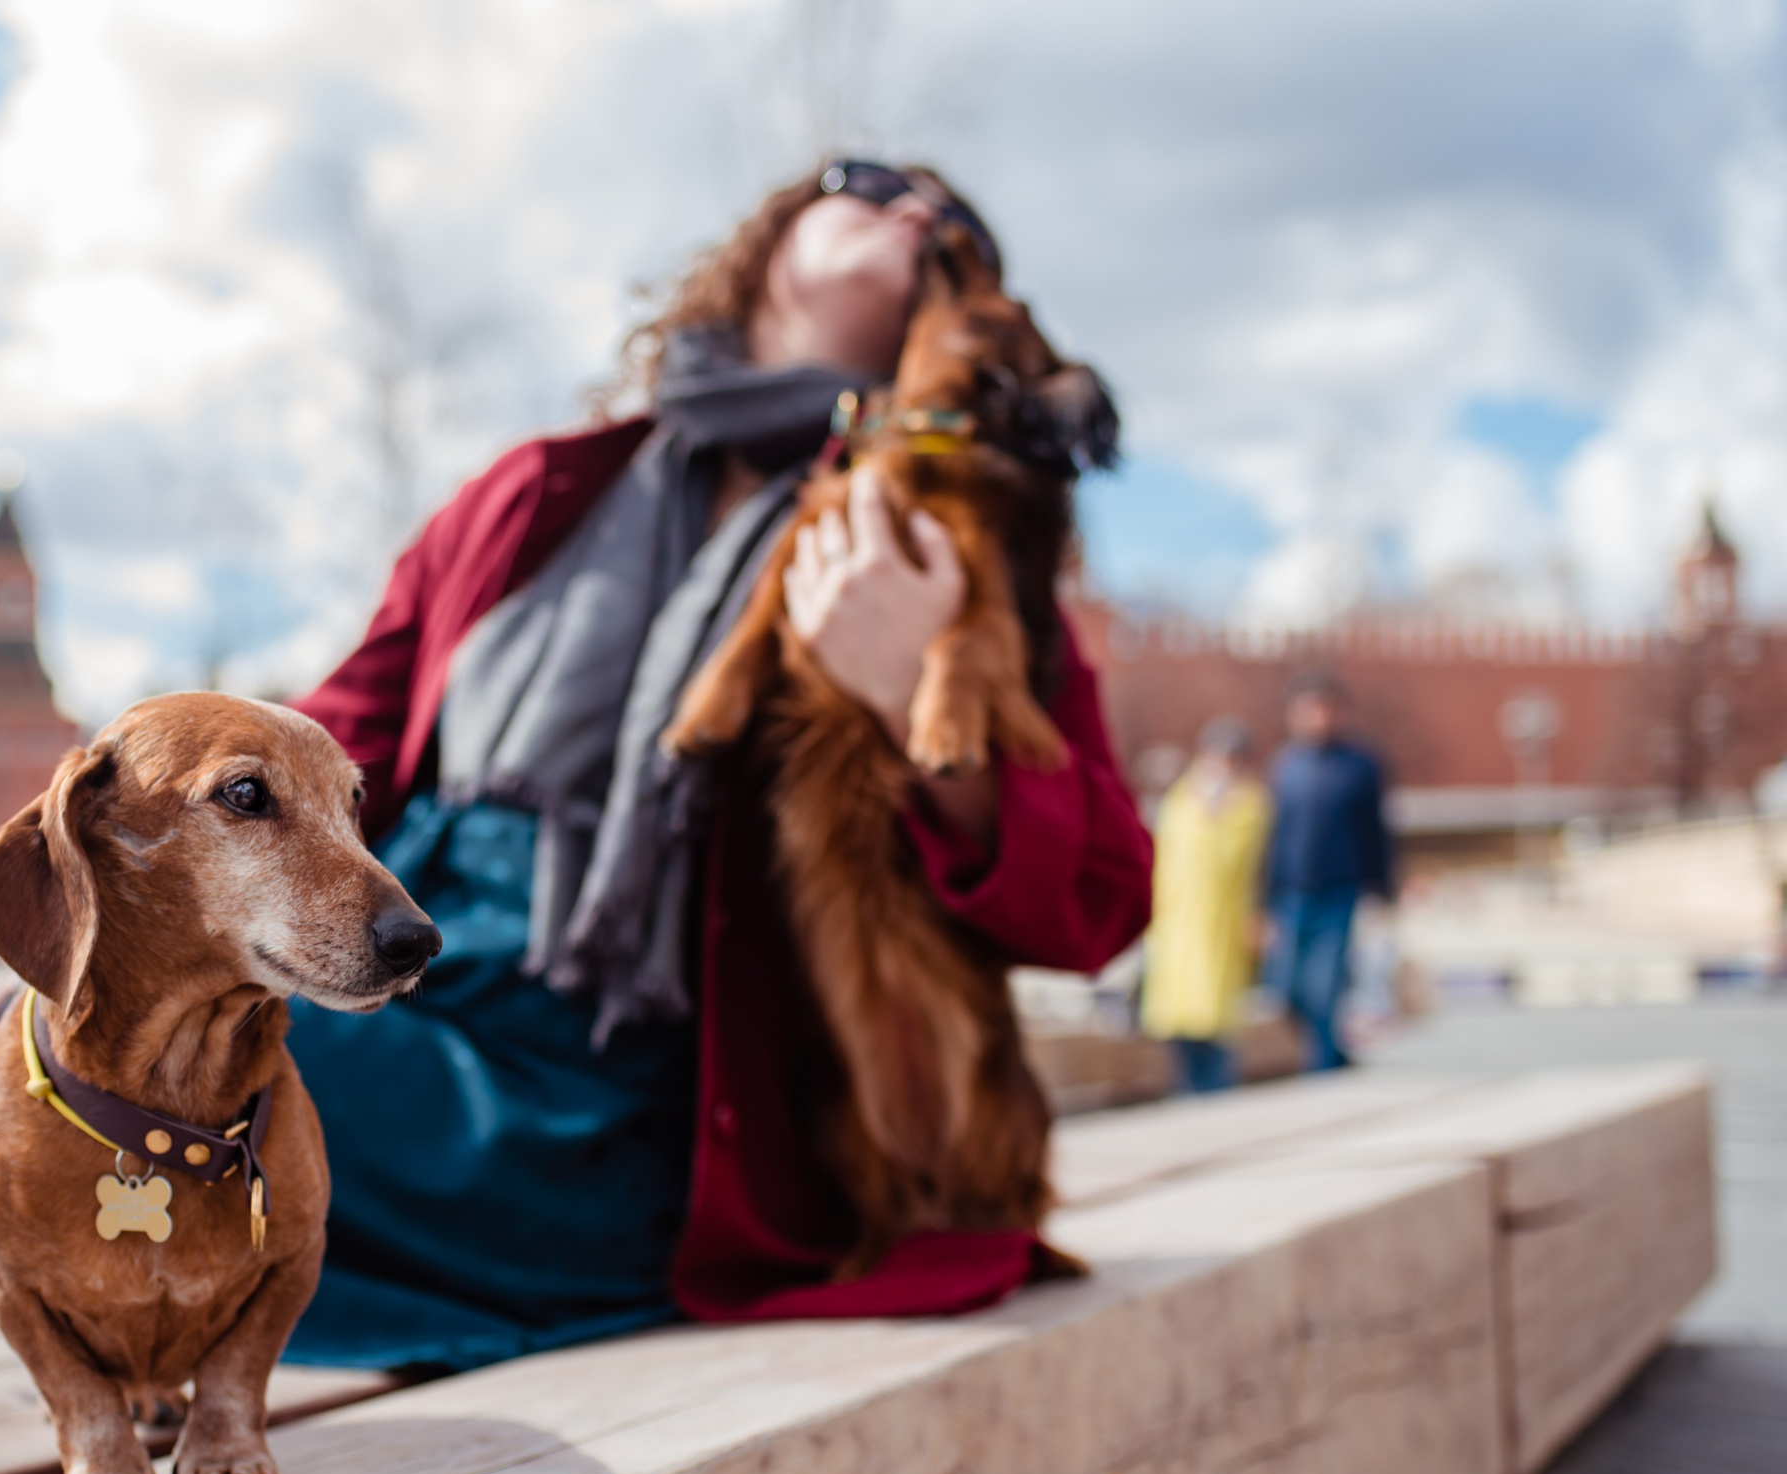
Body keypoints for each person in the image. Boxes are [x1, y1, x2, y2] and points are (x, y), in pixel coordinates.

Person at [271, 160, 1153, 1373]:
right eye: (872, 183)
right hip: (416, 979)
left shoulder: (953, 527)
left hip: (649, 1113)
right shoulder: (537, 492)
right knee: (75, 1038)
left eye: (956, 232)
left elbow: (1099, 896)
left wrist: (905, 698)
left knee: (139, 1084)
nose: (918, 215)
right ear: (768, 238)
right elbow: (320, 753)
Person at [1262, 673, 1393, 1072]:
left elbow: (1377, 831)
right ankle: (1331, 1054)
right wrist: (1261, 902)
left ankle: (1321, 1071)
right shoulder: (1284, 765)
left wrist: (1382, 890)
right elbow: (1271, 838)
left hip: (1338, 890)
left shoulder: (1360, 766)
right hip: (1289, 894)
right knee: (1282, 989)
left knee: (1325, 988)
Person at [1140, 718, 1270, 1094]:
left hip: (1220, 922)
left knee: (1215, 1019)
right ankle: (1187, 1087)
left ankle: (1214, 1091)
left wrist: (1215, 814)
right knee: (1177, 1018)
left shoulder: (1248, 804)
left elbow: (1235, 859)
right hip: (1177, 922)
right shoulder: (1181, 799)